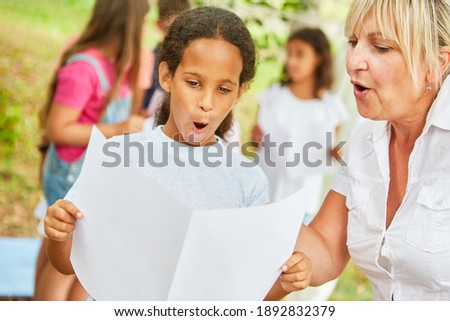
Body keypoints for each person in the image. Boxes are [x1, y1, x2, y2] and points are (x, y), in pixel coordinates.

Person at [43, 6, 312, 300]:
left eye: (223, 89)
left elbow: (247, 295)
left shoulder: (247, 181)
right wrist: (60, 234)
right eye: (194, 83)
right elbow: (67, 263)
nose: (206, 103)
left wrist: (284, 284)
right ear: (167, 76)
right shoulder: (119, 156)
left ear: (240, 92)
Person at [269, 0, 450, 301]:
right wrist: (247, 201)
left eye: (380, 47)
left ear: (438, 63)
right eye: (353, 42)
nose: (353, 61)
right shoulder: (365, 140)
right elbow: (325, 249)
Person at [34, 0, 150, 301]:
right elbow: (58, 127)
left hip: (92, 177)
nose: (145, 32)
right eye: (142, 23)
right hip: (71, 175)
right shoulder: (84, 68)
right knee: (62, 262)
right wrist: (117, 128)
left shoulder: (117, 67)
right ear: (126, 24)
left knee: (84, 263)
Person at [252, 27, 347, 300]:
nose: (291, 61)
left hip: (301, 202)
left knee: (290, 272)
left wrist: (335, 153)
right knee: (259, 267)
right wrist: (257, 137)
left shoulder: (329, 107)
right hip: (266, 194)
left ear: (318, 58)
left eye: (300, 54)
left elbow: (332, 150)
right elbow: (254, 141)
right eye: (289, 53)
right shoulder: (274, 95)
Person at [142, 0, 190, 117]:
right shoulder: (150, 59)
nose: (176, 36)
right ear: (158, 25)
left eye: (182, 30)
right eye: (169, 29)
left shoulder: (192, 60)